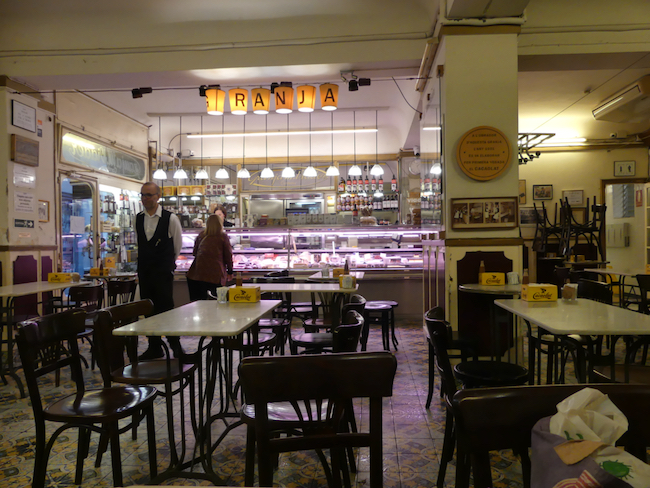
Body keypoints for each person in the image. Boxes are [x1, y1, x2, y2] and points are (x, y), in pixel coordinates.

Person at [136, 181, 184, 360]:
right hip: (145, 271)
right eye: (143, 195)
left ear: (158, 197)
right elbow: (141, 243)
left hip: (162, 272)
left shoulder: (170, 218)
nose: (145, 198)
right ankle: (154, 346)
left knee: (166, 309)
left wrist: (167, 263)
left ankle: (175, 346)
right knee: (148, 308)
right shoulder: (138, 218)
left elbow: (177, 246)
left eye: (149, 195)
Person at [186, 214, 234, 301]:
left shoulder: (201, 235)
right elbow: (228, 256)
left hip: (198, 274)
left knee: (200, 303)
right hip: (216, 275)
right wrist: (230, 271)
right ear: (220, 224)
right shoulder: (223, 236)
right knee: (217, 302)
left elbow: (194, 253)